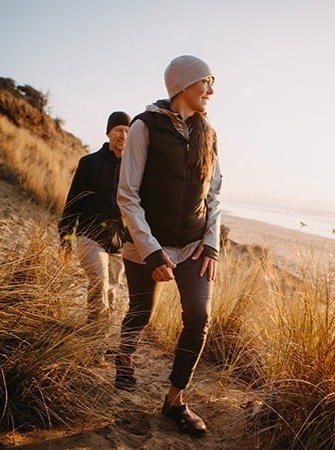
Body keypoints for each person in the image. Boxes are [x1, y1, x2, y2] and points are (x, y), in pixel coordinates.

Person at [116, 55, 221, 437]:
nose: (212, 90)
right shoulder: (144, 127)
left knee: (199, 317)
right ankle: (125, 357)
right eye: (206, 82)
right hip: (148, 244)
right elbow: (127, 196)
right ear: (182, 85)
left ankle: (175, 401)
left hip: (193, 245)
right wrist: (152, 251)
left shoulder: (208, 133)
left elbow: (215, 194)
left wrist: (211, 245)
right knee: (141, 311)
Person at [59, 111, 132, 324]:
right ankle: (95, 344)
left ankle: (99, 338)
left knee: (111, 291)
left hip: (117, 243)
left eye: (128, 131)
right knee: (99, 283)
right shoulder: (89, 163)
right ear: (108, 132)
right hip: (89, 237)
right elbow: (73, 202)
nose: (124, 135)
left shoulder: (133, 168)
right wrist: (65, 239)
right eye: (119, 130)